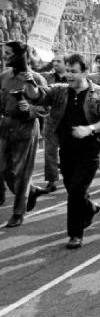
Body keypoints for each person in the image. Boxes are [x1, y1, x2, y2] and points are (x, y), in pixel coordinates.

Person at [36, 53, 100, 248]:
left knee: (76, 191)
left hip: (90, 151)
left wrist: (89, 129)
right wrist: (29, 80)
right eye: (67, 71)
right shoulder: (59, 91)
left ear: (85, 72)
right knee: (73, 189)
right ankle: (90, 207)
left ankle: (75, 234)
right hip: (67, 150)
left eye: (74, 72)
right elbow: (38, 96)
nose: (69, 75)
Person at [0, 41, 47, 227]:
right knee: (3, 168)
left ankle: (18, 212)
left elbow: (44, 109)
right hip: (5, 125)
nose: (4, 56)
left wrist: (29, 109)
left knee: (22, 172)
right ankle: (32, 191)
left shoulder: (36, 78)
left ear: (21, 55)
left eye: (8, 53)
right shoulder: (3, 77)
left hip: (25, 127)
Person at [42, 53, 68, 193]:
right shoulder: (47, 77)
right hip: (51, 118)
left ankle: (70, 176)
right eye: (54, 61)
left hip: (68, 119)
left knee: (68, 151)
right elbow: (35, 72)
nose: (55, 63)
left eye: (59, 61)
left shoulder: (72, 77)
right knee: (50, 151)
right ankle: (52, 180)